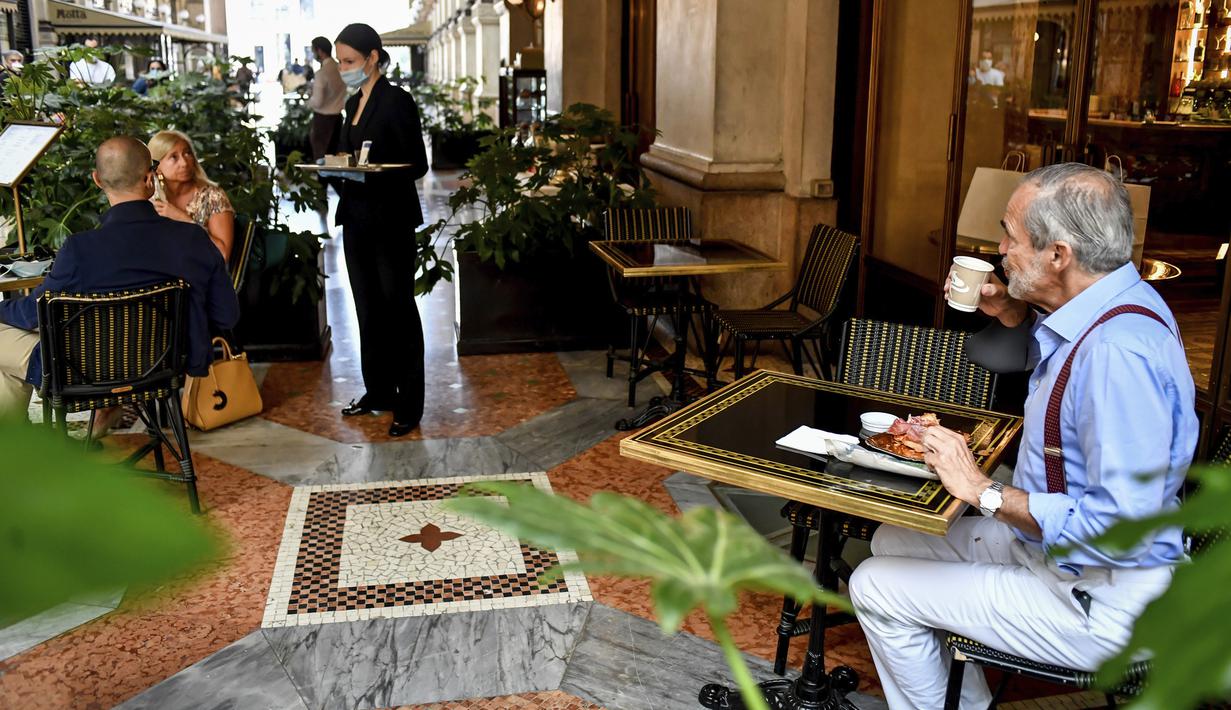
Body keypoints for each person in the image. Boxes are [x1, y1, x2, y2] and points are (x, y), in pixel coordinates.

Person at [848, 162, 1197, 709]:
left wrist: (983, 490)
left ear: (1058, 255)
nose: (1001, 248)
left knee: (874, 585)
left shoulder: (1116, 356)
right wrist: (1015, 313)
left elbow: (1120, 529)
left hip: (1101, 601)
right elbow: (1070, 371)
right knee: (892, 539)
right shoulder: (1110, 310)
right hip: (1062, 559)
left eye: (1010, 234)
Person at [0, 136, 239, 421]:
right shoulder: (194, 240)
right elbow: (227, 316)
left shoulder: (79, 249)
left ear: (97, 180)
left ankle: (15, 446)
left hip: (84, 372)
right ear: (151, 179)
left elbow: (33, 314)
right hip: (165, 370)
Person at [333, 22, 429, 437]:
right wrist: (336, 168)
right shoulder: (352, 103)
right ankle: (378, 392)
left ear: (373, 58)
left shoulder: (397, 101)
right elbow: (343, 154)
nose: (344, 69)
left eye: (349, 61)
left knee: (398, 310)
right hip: (356, 219)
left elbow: (418, 164)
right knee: (367, 309)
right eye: (340, 62)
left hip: (390, 220)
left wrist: (376, 173)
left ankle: (409, 404)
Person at [148, 129, 235, 261]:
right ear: (157, 165)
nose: (184, 163)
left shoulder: (213, 197)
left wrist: (184, 219)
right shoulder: (150, 197)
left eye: (187, 153)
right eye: (174, 157)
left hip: (202, 277)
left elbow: (222, 255)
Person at [307, 36, 346, 161]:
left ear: (320, 51)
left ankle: (322, 181)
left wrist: (308, 100)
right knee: (336, 158)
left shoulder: (321, 73)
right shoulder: (341, 69)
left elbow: (317, 102)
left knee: (322, 160)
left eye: (313, 51)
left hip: (322, 121)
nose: (313, 54)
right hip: (338, 119)